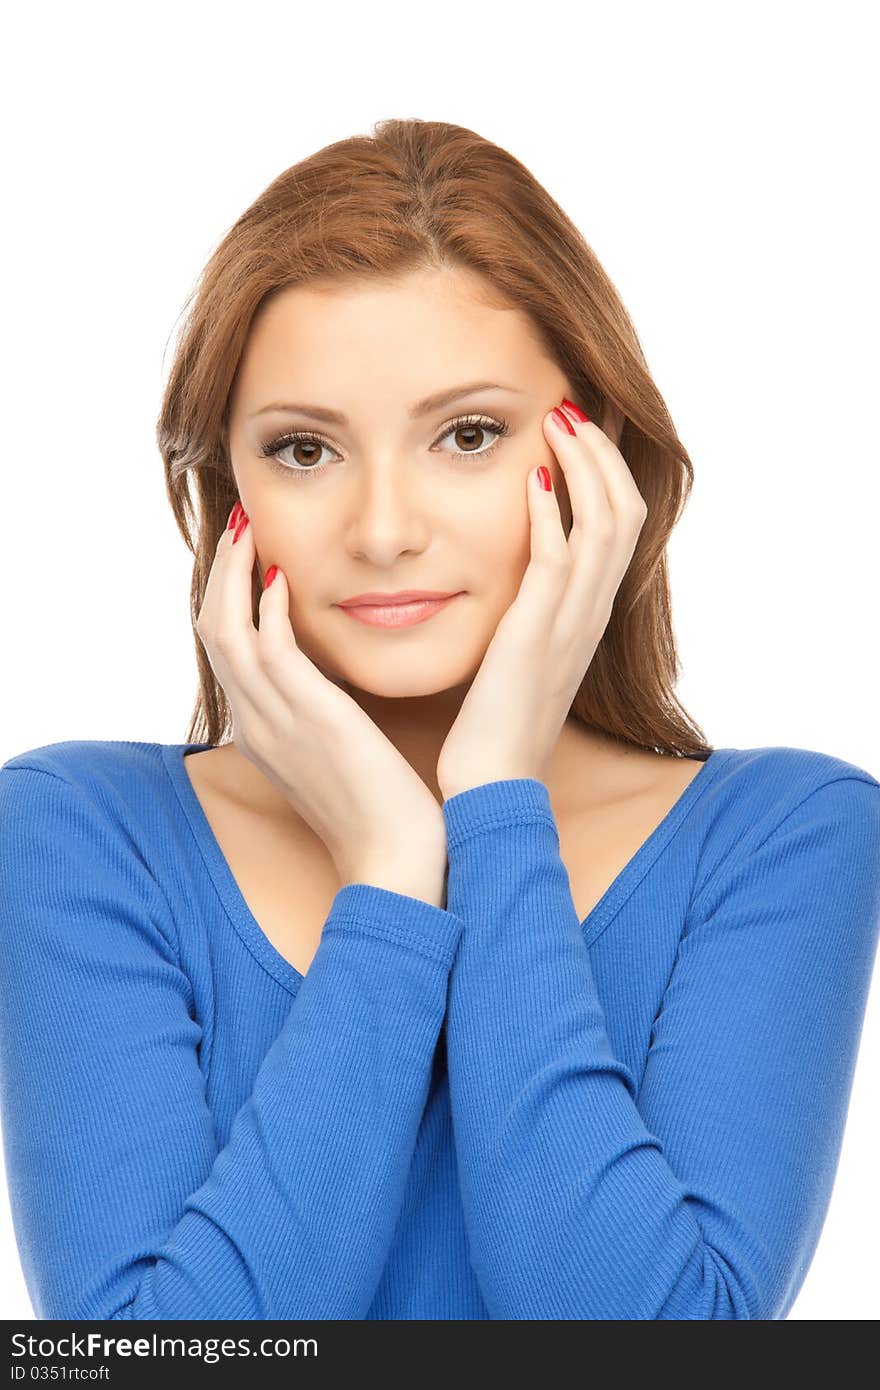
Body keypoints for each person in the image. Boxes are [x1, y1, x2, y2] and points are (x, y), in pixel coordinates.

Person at [0, 118, 878, 1322]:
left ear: (594, 460)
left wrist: (496, 808)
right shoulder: (77, 832)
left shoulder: (787, 834)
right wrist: (391, 871)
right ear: (229, 491)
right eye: (303, 449)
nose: (380, 528)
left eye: (466, 435)